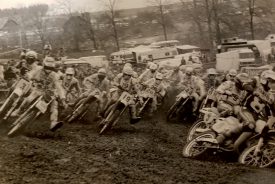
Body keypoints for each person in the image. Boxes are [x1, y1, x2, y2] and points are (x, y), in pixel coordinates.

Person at [11, 57, 67, 132]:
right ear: (44, 65)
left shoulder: (55, 76)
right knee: (29, 99)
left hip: (49, 94)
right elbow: (30, 75)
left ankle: (53, 123)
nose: (48, 69)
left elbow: (59, 87)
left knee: (54, 106)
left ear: (53, 68)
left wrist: (62, 98)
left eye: (50, 68)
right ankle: (19, 110)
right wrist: (28, 77)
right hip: (38, 90)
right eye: (47, 67)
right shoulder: (38, 69)